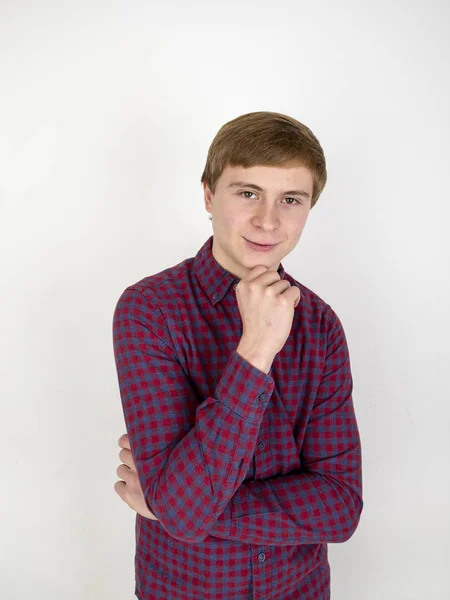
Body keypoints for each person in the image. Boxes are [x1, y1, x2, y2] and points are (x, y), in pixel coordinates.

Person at [112, 111, 363, 600]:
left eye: (290, 199)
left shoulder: (321, 324)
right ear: (208, 194)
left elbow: (341, 506)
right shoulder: (149, 310)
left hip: (300, 591)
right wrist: (256, 350)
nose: (268, 220)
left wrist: (171, 504)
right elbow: (183, 513)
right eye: (247, 193)